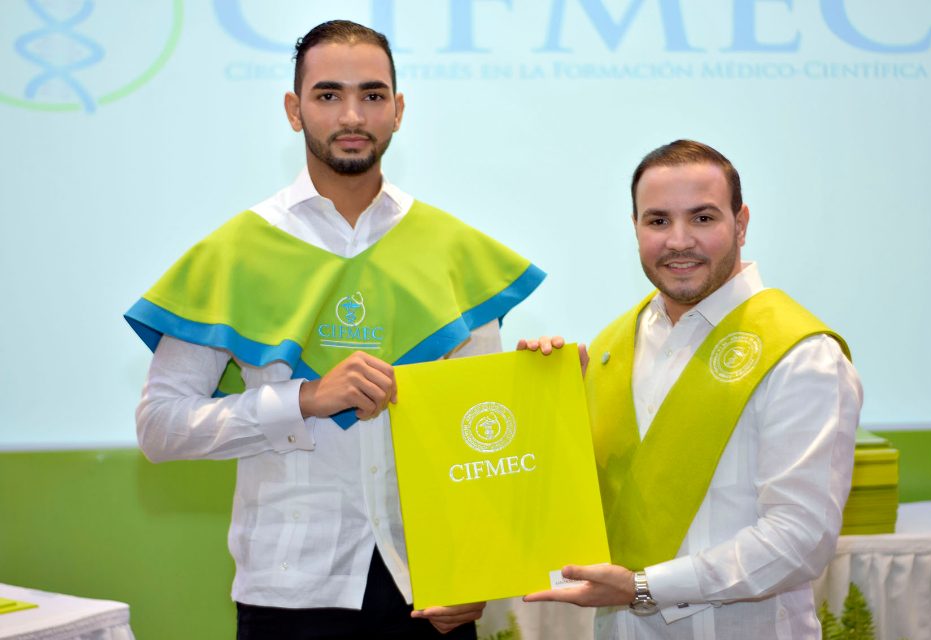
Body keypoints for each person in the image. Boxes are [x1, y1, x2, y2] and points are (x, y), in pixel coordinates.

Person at [125, 20, 545, 639]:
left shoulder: (454, 253)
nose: (352, 115)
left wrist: (478, 570)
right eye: (328, 95)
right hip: (289, 591)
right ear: (294, 110)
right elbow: (160, 427)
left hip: (429, 590)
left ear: (398, 110)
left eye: (373, 95)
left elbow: (481, 439)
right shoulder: (235, 253)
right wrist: (303, 398)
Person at [521, 140, 862, 639]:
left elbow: (799, 539)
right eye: (658, 221)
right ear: (635, 227)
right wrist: (544, 407)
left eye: (702, 218)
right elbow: (578, 501)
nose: (678, 241)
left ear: (741, 223)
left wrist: (644, 587)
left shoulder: (800, 355)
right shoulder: (611, 347)